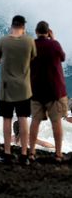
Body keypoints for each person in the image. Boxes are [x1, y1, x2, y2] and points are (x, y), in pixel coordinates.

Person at [0, 15, 36, 165]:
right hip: (24, 88)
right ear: (23, 27)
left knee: (7, 119)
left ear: (12, 26)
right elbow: (33, 58)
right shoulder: (29, 41)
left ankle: (7, 153)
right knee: (23, 119)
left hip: (6, 87)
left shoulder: (3, 41)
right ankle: (24, 155)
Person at [28, 21, 68, 162]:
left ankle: (31, 152)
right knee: (56, 122)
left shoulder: (31, 45)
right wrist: (54, 39)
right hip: (54, 90)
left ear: (36, 31)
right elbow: (62, 57)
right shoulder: (54, 45)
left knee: (35, 121)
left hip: (36, 90)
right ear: (48, 32)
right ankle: (58, 154)